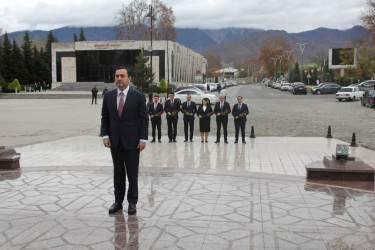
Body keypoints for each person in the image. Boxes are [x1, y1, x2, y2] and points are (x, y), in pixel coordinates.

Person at [101, 66, 149, 215]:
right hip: (115, 141)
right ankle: (118, 202)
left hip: (132, 142)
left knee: (132, 174)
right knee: (118, 173)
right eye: (117, 76)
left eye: (122, 76)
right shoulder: (108, 96)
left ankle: (132, 202)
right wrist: (105, 135)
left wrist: (142, 139)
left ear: (129, 78)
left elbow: (144, 119)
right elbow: (105, 118)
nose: (119, 79)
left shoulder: (138, 97)